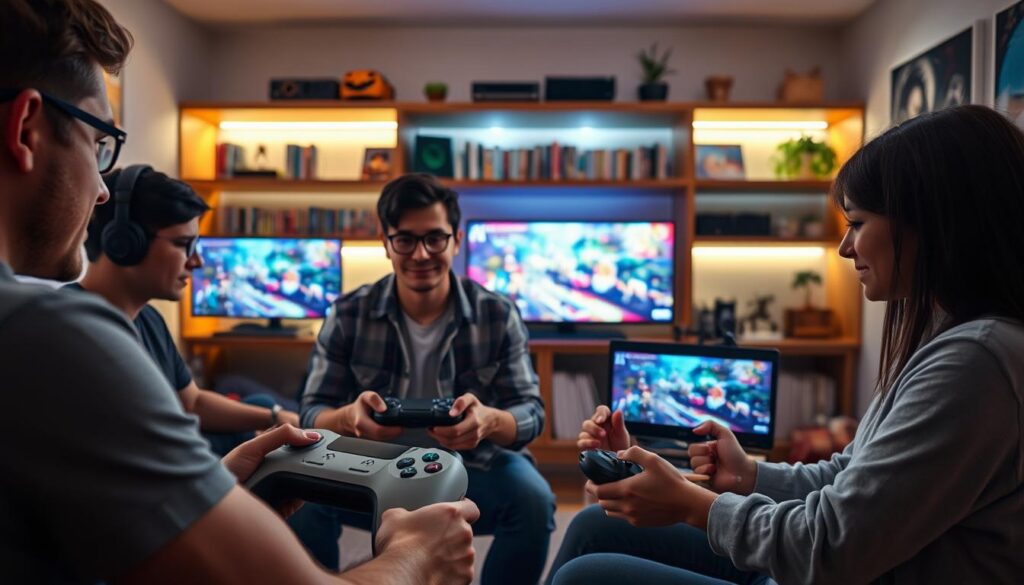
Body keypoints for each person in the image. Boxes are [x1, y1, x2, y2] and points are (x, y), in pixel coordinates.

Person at [0, 1, 478, 583]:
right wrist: (416, 556)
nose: (101, 190)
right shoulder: (52, 336)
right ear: (26, 130)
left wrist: (210, 493)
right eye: (100, 144)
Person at [547, 105, 1024, 585]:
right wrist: (748, 477)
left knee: (587, 576)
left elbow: (831, 547)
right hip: (806, 566)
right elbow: (849, 476)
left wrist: (693, 505)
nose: (845, 247)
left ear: (932, 223)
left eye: (857, 223)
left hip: (819, 570)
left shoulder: (973, 365)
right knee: (591, 526)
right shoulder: (944, 334)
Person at [291, 173, 556, 584]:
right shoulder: (348, 313)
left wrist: (487, 421)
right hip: (369, 464)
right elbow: (310, 413)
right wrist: (349, 420)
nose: (420, 254)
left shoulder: (497, 314)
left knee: (534, 500)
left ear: (457, 239)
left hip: (472, 464)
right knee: (301, 490)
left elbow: (530, 413)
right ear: (385, 241)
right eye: (405, 240)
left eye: (435, 238)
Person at [67, 165, 302, 455]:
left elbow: (192, 402)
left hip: (182, 462)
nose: (197, 262)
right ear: (125, 243)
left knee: (262, 405)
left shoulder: (148, 318)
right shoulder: (72, 330)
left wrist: (277, 418)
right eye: (183, 245)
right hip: (161, 477)